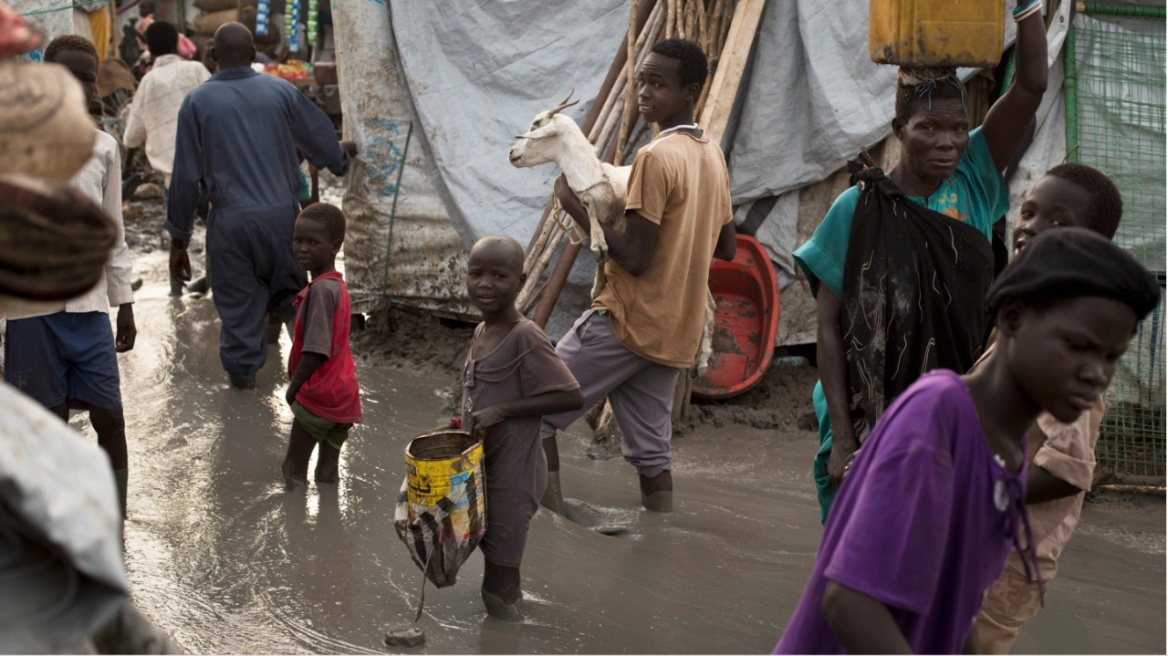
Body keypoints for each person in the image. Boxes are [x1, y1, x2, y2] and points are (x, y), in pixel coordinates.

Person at [774, 227, 1161, 654]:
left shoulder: (1008, 455)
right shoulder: (938, 416)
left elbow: (958, 611)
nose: (1097, 373)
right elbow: (849, 603)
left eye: (1111, 357)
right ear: (1013, 317)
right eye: (1078, 345)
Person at [798, 0, 1050, 523]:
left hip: (954, 408)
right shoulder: (859, 208)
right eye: (928, 128)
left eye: (958, 128)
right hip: (871, 408)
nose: (948, 142)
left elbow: (1030, 87)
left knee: (936, 546)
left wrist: (1027, 10)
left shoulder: (976, 179)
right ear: (898, 129)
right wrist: (844, 438)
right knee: (857, 549)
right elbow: (828, 324)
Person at [539, 38, 737, 514]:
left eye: (657, 84)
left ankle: (550, 523)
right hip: (674, 329)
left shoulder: (655, 157)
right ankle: (658, 536)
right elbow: (727, 246)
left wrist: (572, 203)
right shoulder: (711, 152)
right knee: (652, 455)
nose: (644, 93)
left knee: (535, 411)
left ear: (689, 92)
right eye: (641, 81)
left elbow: (634, 258)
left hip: (626, 319)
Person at [975, 164, 1126, 653]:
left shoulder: (1069, 336)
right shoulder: (1028, 308)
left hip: (1008, 557)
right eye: (1029, 211)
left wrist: (975, 490)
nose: (1031, 227)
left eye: (1058, 224)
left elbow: (1069, 470)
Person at [165, 22, 357, 390]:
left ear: (213, 57)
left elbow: (185, 178)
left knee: (238, 317)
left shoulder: (196, 103)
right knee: (291, 301)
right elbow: (319, 134)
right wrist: (341, 160)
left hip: (230, 225)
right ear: (254, 56)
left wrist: (179, 241)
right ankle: (316, 390)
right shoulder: (280, 91)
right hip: (284, 221)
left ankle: (244, 406)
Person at [4, 35, 137, 517]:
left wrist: (125, 302)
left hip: (88, 310)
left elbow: (114, 234)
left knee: (110, 417)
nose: (82, 85)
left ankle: (116, 521)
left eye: (89, 76)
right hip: (29, 313)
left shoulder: (104, 147)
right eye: (71, 75)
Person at [455, 235, 583, 621]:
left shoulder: (524, 336)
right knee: (492, 565)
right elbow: (481, 396)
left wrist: (503, 411)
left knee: (499, 576)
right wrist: (464, 424)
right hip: (485, 471)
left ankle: (508, 636)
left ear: (521, 280)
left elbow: (571, 397)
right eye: (476, 274)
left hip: (515, 476)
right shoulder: (482, 331)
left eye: (498, 275)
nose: (485, 284)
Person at [122, 20, 211, 295]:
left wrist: (127, 169)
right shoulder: (196, 69)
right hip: (210, 173)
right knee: (217, 230)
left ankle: (176, 292)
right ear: (177, 42)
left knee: (177, 235)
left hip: (173, 179)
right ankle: (214, 281)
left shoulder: (148, 82)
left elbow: (131, 137)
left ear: (148, 48)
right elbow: (218, 104)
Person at [281, 204, 361, 488]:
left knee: (293, 467)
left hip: (318, 397)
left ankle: (295, 528)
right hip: (345, 396)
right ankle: (331, 525)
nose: (302, 249)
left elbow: (316, 350)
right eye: (297, 240)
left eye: (313, 243)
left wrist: (293, 389)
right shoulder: (338, 287)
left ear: (334, 246)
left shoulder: (319, 291)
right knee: (327, 473)